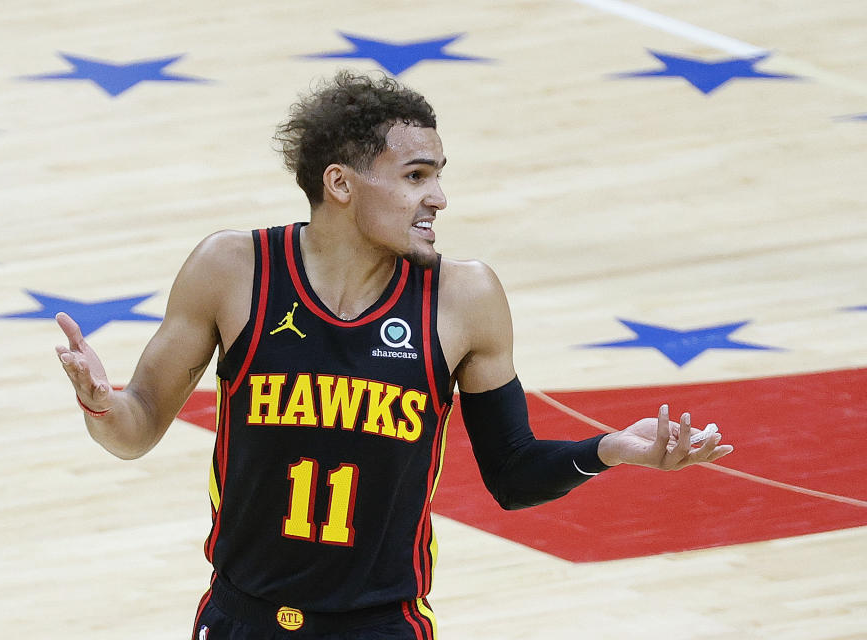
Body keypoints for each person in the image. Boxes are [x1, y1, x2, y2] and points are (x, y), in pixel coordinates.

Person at [55, 71, 733, 640]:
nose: (437, 196)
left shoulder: (463, 297)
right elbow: (136, 426)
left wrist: (612, 449)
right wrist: (101, 404)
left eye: (437, 176)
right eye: (414, 176)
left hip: (380, 624)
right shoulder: (233, 269)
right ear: (342, 185)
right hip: (243, 617)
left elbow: (513, 474)